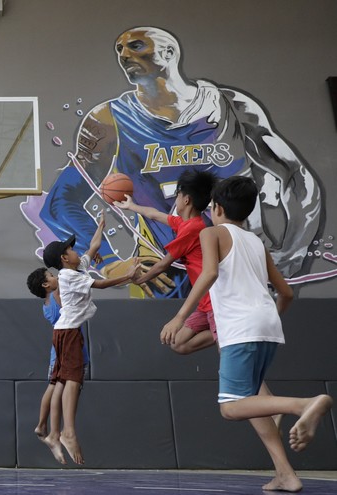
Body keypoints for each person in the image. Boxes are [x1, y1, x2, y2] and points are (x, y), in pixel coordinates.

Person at [35, 26, 321, 299]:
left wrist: (293, 253)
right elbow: (61, 202)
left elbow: (295, 177)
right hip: (163, 268)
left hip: (235, 255)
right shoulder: (108, 120)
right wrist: (110, 262)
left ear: (170, 53)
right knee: (170, 342)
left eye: (135, 46)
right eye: (119, 49)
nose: (124, 55)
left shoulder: (231, 106)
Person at [161, 176, 333, 492]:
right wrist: (266, 319)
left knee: (230, 407)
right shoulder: (256, 242)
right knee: (252, 402)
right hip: (266, 326)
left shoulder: (211, 233)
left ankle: (303, 405)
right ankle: (285, 474)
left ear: (215, 208)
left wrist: (179, 316)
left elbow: (209, 273)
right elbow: (287, 293)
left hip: (241, 328)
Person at [41, 215, 138, 465]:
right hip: (69, 332)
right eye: (71, 249)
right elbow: (102, 285)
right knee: (73, 379)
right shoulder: (69, 276)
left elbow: (93, 247)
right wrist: (128, 276)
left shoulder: (75, 269)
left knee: (64, 380)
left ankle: (55, 432)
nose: (76, 251)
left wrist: (101, 225)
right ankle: (67, 432)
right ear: (64, 258)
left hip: (64, 332)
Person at [115, 169, 218, 354]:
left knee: (230, 361)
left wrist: (141, 279)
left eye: (177, 195)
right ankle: (226, 333)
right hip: (204, 303)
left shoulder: (193, 228)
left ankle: (227, 333)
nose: (175, 199)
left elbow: (163, 264)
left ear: (186, 199)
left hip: (215, 302)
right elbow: (154, 214)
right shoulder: (186, 223)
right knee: (178, 344)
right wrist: (131, 206)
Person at [26, 267, 89, 462]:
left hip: (62, 344)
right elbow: (68, 279)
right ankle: (52, 430)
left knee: (56, 386)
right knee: (58, 386)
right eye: (51, 276)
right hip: (65, 343)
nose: (56, 277)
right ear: (46, 285)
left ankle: (45, 426)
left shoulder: (46, 305)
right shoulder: (56, 294)